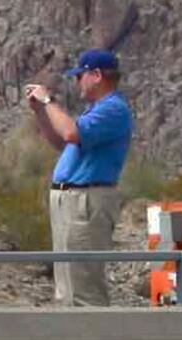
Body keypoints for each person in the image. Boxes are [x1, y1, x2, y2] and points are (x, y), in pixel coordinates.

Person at [22, 48, 133, 307]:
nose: (77, 82)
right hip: (70, 200)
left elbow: (71, 134)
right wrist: (40, 112)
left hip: (86, 201)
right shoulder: (95, 112)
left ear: (96, 75)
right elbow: (63, 141)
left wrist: (49, 102)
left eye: (79, 76)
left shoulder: (113, 109)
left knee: (84, 286)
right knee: (66, 285)